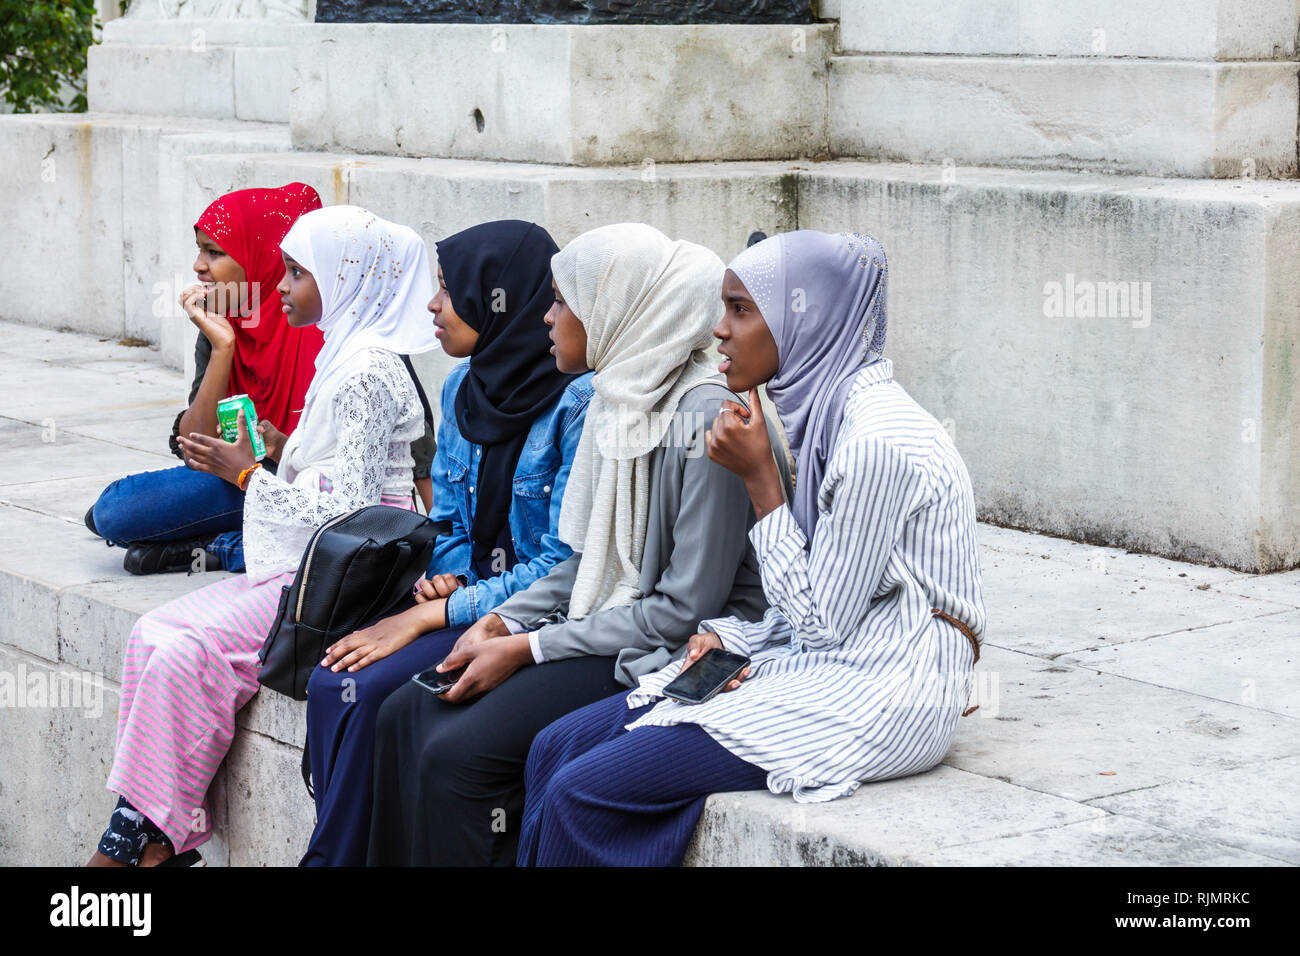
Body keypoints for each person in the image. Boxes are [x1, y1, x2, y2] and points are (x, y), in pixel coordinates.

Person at [515, 230, 987, 867]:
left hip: (885, 689)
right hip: (824, 660)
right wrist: (731, 638)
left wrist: (762, 480)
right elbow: (817, 608)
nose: (719, 331)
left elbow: (823, 624)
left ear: (806, 321)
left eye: (741, 310)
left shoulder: (879, 440)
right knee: (554, 747)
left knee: (585, 789)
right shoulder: (829, 416)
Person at [366, 222, 793, 867]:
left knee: (455, 754)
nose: (546, 316)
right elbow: (594, 560)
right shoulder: (617, 396)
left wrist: (527, 647)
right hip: (612, 619)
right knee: (405, 714)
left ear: (614, 312)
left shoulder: (703, 420)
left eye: (564, 301)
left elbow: (683, 611)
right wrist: (501, 617)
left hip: (673, 649)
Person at [86, 205, 439, 866]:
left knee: (185, 652)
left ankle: (136, 843)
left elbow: (353, 515)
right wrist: (265, 462)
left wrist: (247, 471)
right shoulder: (347, 354)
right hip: (316, 556)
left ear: (345, 278)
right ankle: (159, 833)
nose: (280, 287)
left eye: (299, 273)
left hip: (350, 577)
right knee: (150, 635)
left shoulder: (365, 370)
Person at [299, 220, 594, 867]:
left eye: (449, 290)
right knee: (333, 682)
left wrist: (439, 610)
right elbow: (453, 526)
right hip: (473, 599)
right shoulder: (466, 386)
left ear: (499, 296)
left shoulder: (578, 402)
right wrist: (449, 577)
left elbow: (564, 567)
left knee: (381, 697)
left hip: (537, 612)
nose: (433, 305)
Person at [84, 185, 437, 574]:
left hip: (300, 488)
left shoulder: (340, 325)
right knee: (114, 510)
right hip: (247, 475)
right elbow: (193, 447)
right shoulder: (225, 322)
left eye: (215, 252)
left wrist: (438, 546)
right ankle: (232, 535)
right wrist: (222, 348)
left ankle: (223, 546)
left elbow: (411, 455)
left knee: (117, 512)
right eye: (199, 249)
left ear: (262, 258)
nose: (199, 266)